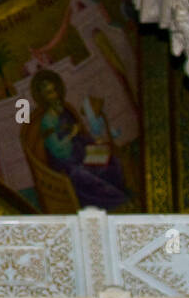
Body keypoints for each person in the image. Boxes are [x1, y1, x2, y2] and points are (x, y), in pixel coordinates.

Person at [30, 70, 126, 208]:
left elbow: (81, 135)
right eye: (49, 93)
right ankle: (118, 202)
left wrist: (93, 143)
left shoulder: (65, 109)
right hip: (67, 163)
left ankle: (122, 196)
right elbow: (57, 150)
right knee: (85, 176)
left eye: (55, 90)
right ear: (43, 97)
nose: (54, 95)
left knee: (111, 159)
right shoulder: (47, 121)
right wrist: (71, 135)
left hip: (82, 153)